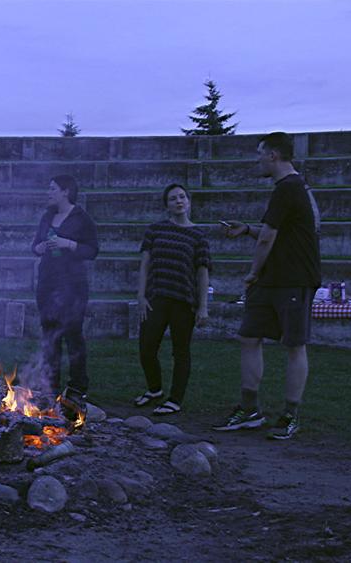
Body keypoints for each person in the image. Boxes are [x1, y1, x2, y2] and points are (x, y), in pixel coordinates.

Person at [213, 132, 321, 440]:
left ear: (273, 155)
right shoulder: (290, 188)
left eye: (260, 154)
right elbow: (273, 232)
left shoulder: (289, 188)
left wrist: (251, 272)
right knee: (249, 337)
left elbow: (268, 238)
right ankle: (250, 410)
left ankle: (289, 415)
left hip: (294, 279)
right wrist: (247, 229)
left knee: (295, 346)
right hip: (272, 279)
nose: (257, 159)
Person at [133, 184, 211, 416]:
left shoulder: (198, 234)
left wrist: (203, 307)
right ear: (166, 205)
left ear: (188, 201)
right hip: (156, 297)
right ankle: (155, 389)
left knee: (181, 351)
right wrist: (140, 295)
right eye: (173, 198)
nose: (179, 201)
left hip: (184, 301)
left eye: (182, 197)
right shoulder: (155, 230)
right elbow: (145, 264)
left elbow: (202, 271)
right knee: (146, 348)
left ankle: (175, 399)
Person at [31, 175, 99, 416]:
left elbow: (92, 250)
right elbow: (35, 245)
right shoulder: (47, 216)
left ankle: (78, 387)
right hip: (48, 285)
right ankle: (50, 387)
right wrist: (40, 247)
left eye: (52, 189)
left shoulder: (82, 218)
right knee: (49, 336)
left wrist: (67, 244)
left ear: (66, 191)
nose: (48, 192)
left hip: (73, 286)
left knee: (73, 336)